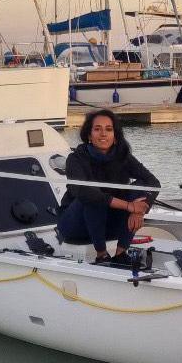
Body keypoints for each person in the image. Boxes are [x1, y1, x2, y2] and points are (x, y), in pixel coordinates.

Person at [58, 109, 160, 264]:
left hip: (109, 224)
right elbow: (83, 192)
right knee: (92, 195)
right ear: (89, 135)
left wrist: (140, 210)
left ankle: (121, 253)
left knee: (140, 188)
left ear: (115, 135)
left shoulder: (123, 156)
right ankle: (101, 255)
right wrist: (129, 206)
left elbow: (153, 183)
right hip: (76, 225)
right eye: (97, 129)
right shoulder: (76, 159)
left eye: (108, 129)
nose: (103, 134)